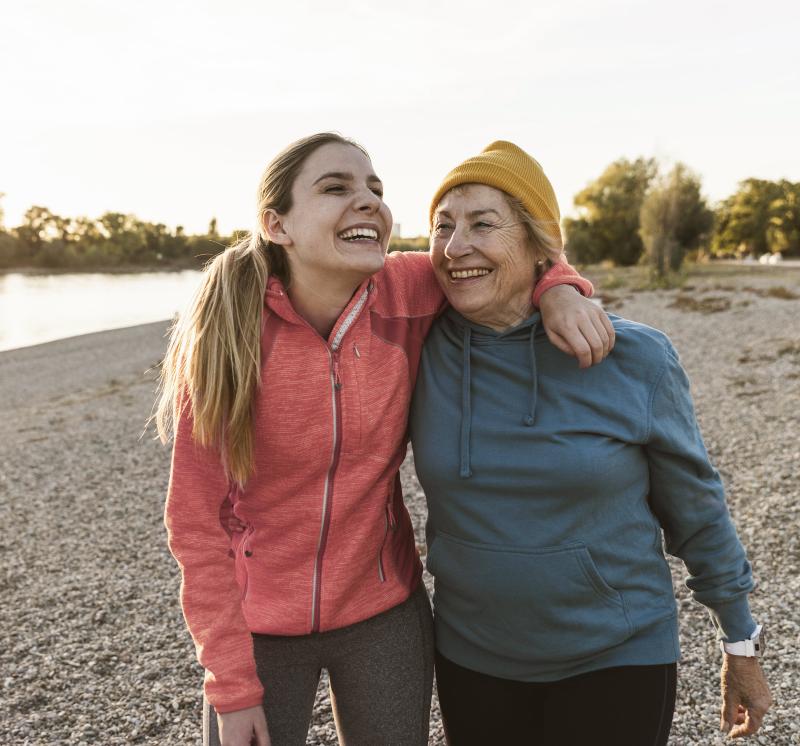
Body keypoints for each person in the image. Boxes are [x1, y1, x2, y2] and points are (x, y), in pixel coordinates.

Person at [157, 132, 612, 746]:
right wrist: (231, 687)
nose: (367, 200)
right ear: (278, 224)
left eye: (375, 188)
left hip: (384, 613)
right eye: (336, 188)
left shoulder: (409, 292)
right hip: (257, 625)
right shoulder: (227, 340)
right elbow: (193, 523)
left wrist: (559, 289)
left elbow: (506, 254)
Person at [408, 140, 772, 745]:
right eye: (441, 227)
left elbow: (696, 508)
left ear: (537, 243)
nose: (455, 247)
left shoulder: (634, 357)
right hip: (474, 657)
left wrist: (740, 642)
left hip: (616, 655)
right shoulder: (417, 345)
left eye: (482, 224)